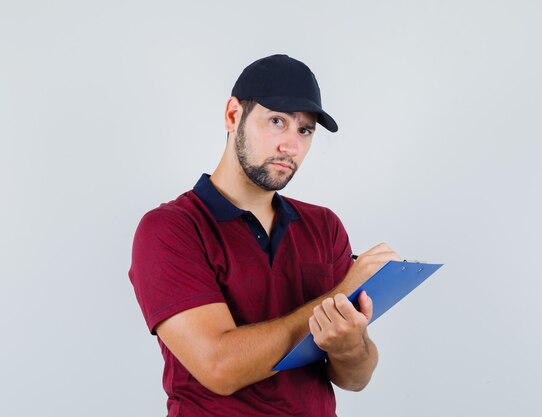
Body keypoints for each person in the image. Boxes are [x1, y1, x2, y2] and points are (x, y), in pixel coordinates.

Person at [129, 54, 401, 416]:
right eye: (277, 121)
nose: (291, 146)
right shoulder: (171, 229)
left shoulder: (324, 227)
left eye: (304, 130)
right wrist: (340, 295)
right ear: (232, 115)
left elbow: (354, 378)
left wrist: (349, 345)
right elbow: (218, 367)